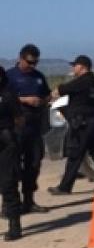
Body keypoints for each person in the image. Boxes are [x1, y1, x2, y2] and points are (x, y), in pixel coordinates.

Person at [48, 55, 94, 195]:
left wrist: (47, 97)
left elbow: (59, 91)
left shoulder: (79, 82)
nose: (73, 68)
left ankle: (64, 187)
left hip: (83, 124)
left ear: (82, 67)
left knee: (75, 155)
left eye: (75, 66)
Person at [5, 44, 50, 214]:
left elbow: (46, 94)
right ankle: (9, 204)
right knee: (12, 166)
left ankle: (29, 201)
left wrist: (43, 101)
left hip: (34, 126)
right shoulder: (9, 76)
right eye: (29, 62)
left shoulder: (38, 77)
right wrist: (24, 100)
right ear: (20, 58)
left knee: (34, 163)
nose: (32, 66)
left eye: (35, 63)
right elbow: (4, 98)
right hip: (15, 127)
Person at [0, 67, 24, 241]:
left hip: (6, 143)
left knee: (8, 184)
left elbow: (19, 119)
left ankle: (14, 225)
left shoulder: (8, 95)